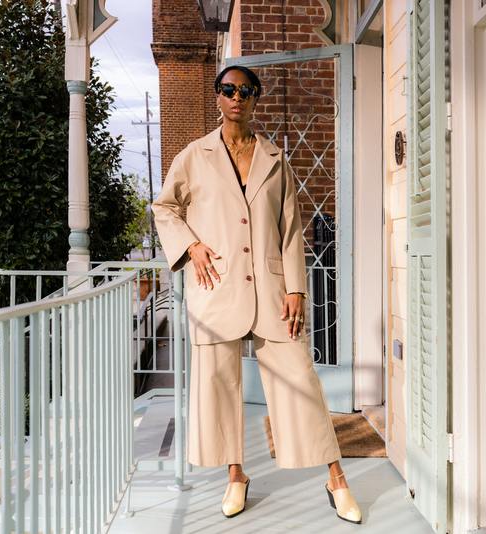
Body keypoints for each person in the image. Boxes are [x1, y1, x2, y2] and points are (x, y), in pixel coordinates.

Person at [151, 65, 362, 524]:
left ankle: (336, 478)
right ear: (217, 96)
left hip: (271, 289)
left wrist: (297, 288)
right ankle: (236, 475)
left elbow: (290, 229)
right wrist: (191, 245)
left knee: (301, 379)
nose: (236, 97)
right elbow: (164, 208)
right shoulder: (194, 156)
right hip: (216, 287)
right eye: (228, 89)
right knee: (220, 386)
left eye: (245, 91)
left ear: (255, 99)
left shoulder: (274, 158)